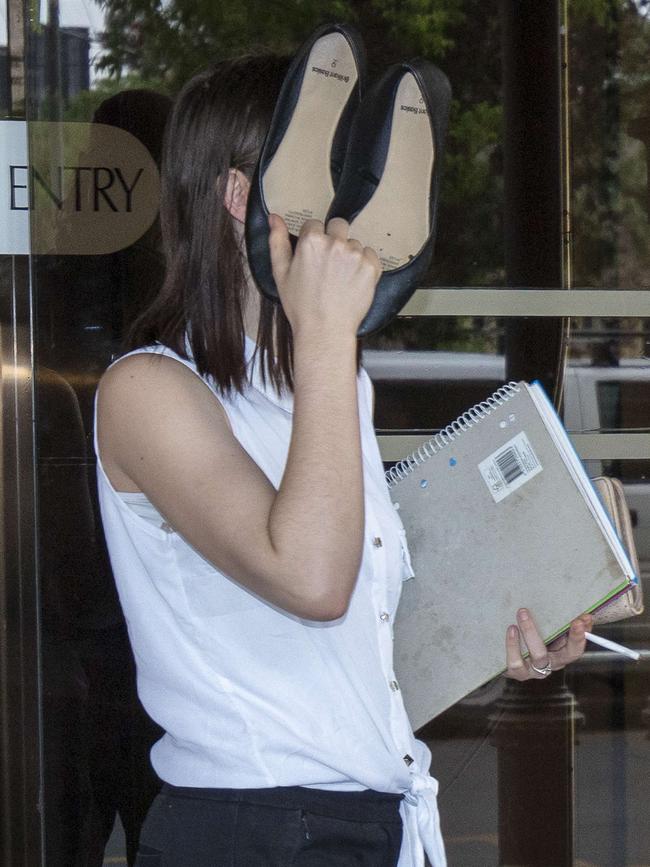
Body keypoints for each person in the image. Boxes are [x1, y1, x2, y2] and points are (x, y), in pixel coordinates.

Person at [95, 53, 593, 867]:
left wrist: (502, 630)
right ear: (237, 195)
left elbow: (353, 638)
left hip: (374, 817)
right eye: (325, 171)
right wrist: (327, 334)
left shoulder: (325, 381)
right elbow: (312, 580)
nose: (349, 209)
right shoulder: (148, 389)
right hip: (251, 827)